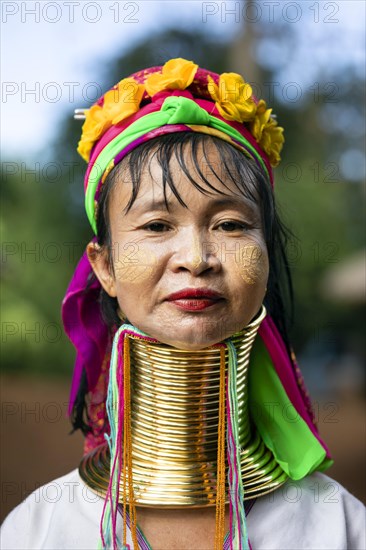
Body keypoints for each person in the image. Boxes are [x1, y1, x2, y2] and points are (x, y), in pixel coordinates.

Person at [1, 58, 365, 550]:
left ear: (266, 253)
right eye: (156, 226)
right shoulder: (37, 530)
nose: (196, 259)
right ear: (103, 266)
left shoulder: (339, 527)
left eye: (231, 225)